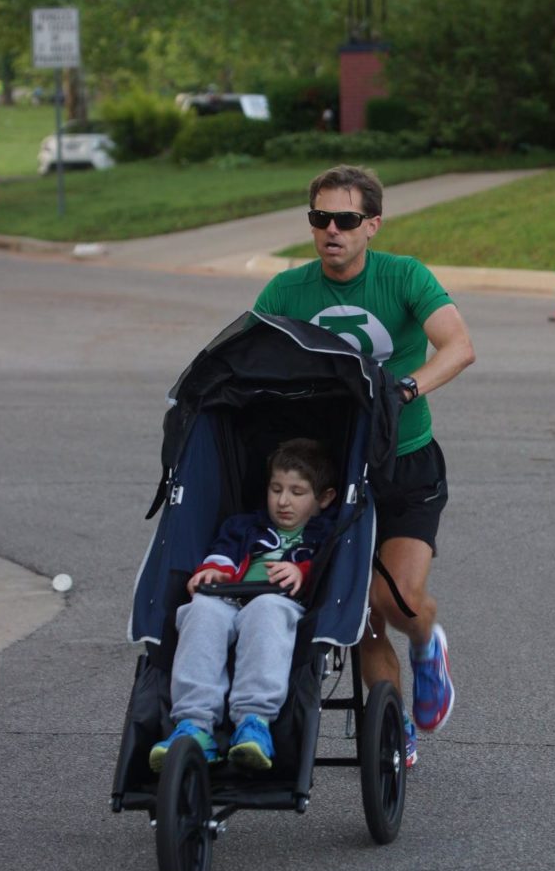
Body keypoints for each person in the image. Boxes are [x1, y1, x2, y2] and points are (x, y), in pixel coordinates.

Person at [254, 164, 475, 767]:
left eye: (346, 220)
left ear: (371, 225)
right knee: (359, 616)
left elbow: (458, 347)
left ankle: (429, 646)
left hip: (404, 463)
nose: (332, 230)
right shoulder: (285, 292)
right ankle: (389, 724)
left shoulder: (403, 277)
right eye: (320, 218)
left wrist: (404, 389)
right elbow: (252, 363)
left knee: (394, 600)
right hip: (331, 475)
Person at [149, 438, 337, 773]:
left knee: (266, 607)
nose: (282, 501)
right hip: (230, 599)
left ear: (323, 499)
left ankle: (254, 721)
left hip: (281, 604)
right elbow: (222, 554)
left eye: (297, 492)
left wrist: (300, 570)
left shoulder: (324, 535)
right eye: (276, 488)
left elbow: (328, 572)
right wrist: (211, 571)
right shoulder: (244, 526)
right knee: (200, 610)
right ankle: (194, 724)